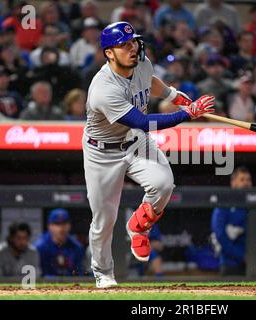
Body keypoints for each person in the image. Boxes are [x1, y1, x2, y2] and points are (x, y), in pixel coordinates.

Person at [83, 21, 215, 288]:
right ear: (109, 53)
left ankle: (139, 227)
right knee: (104, 219)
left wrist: (175, 95)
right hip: (103, 152)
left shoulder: (141, 62)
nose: (133, 48)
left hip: (133, 142)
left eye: (133, 42)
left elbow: (150, 81)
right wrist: (186, 114)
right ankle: (104, 273)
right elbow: (143, 122)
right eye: (124, 45)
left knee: (163, 183)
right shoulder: (103, 88)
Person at [211, 166, 256, 276]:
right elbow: (220, 234)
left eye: (248, 180)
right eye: (242, 180)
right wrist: (241, 256)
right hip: (231, 264)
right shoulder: (223, 205)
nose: (246, 183)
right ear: (233, 183)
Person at [35, 208, 84, 277]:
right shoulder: (40, 247)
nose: (61, 228)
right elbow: (39, 275)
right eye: (57, 224)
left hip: (71, 285)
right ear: (49, 226)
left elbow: (79, 274)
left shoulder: (76, 247)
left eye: (64, 223)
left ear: (69, 225)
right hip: (47, 285)